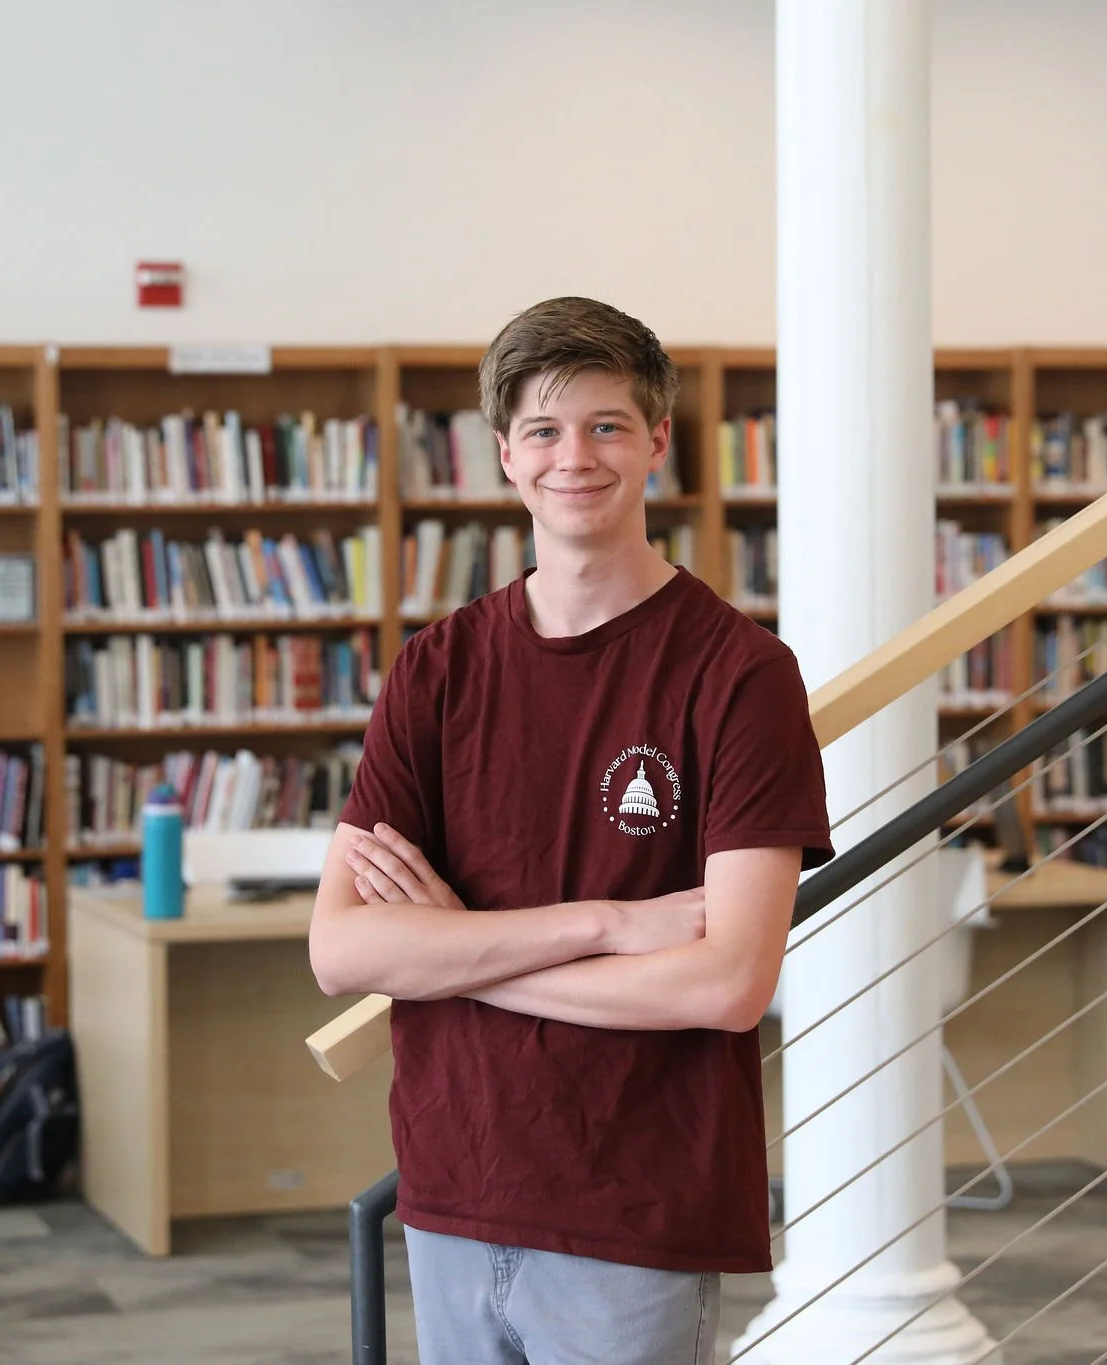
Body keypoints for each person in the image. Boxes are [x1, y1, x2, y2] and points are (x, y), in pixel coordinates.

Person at [309, 296, 833, 1364]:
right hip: (454, 1185)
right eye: (543, 430)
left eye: (605, 425)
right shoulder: (436, 670)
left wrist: (456, 955)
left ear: (657, 441)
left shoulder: (741, 676)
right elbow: (343, 949)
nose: (574, 457)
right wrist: (607, 924)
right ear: (506, 454)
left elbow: (727, 983)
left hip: (638, 1203)